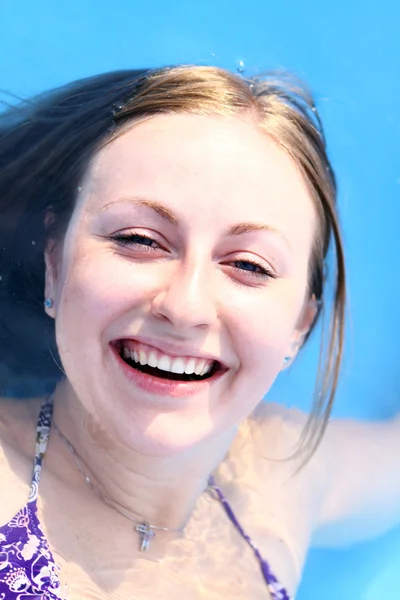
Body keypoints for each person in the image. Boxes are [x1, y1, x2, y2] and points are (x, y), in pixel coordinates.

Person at [0, 65, 398, 600]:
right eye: (141, 239)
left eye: (249, 266)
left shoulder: (274, 474)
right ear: (55, 259)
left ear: (299, 328)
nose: (185, 308)